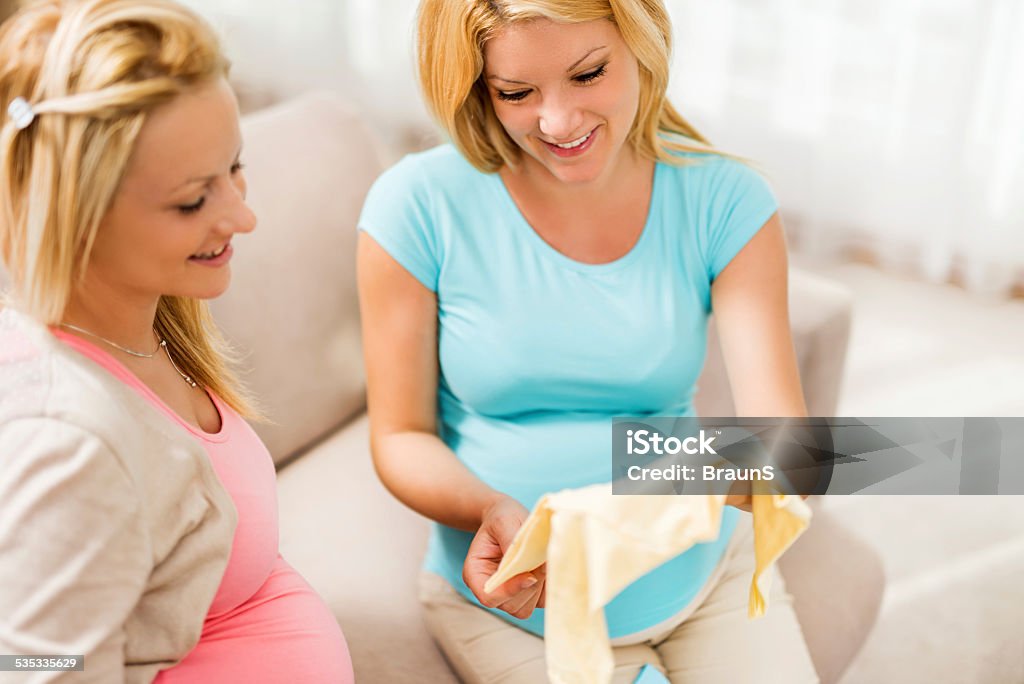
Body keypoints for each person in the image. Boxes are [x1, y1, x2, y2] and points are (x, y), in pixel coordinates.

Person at [356, 0, 818, 682]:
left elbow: (789, 448)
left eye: (589, 74)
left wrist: (647, 490)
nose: (558, 122)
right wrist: (490, 509)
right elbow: (399, 436)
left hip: (704, 581)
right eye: (516, 92)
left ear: (643, 43)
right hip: (518, 609)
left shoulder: (724, 199)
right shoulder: (416, 206)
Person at [0, 1, 353, 681]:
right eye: (193, 199)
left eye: (236, 166)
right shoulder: (66, 443)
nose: (242, 216)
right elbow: (32, 664)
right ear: (76, 214)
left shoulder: (152, 320)